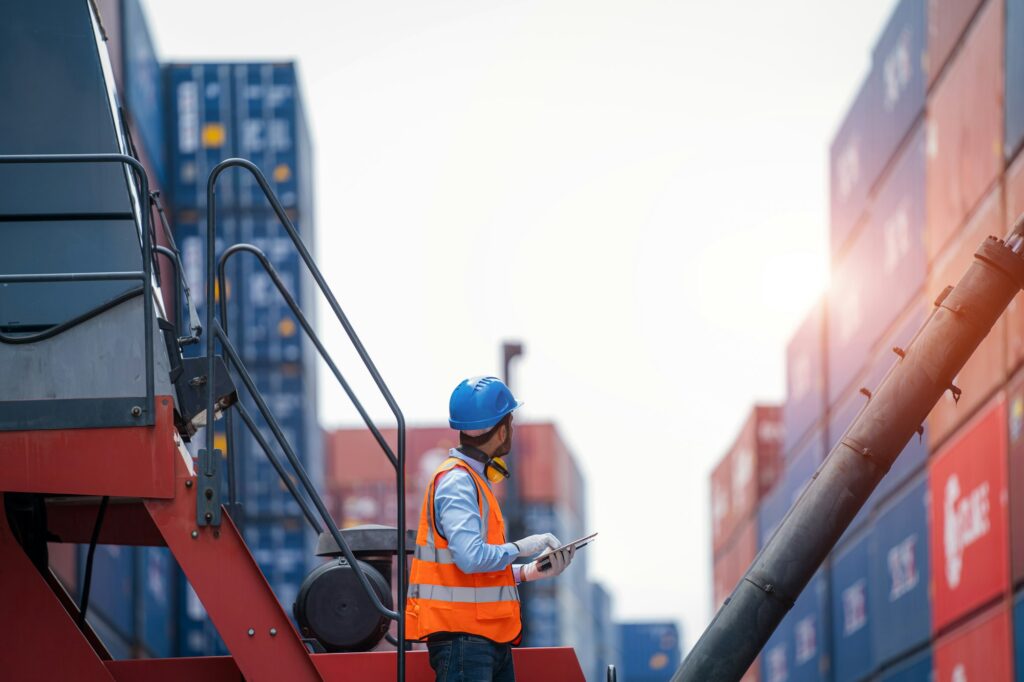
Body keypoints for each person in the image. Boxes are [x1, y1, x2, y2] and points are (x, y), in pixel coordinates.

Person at [405, 376, 577, 681]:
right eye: (510, 421)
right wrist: (523, 547)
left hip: (482, 639)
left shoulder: (473, 480)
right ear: (498, 429)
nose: (512, 429)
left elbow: (468, 578)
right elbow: (470, 558)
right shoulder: (458, 481)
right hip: (465, 642)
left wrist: (527, 572)